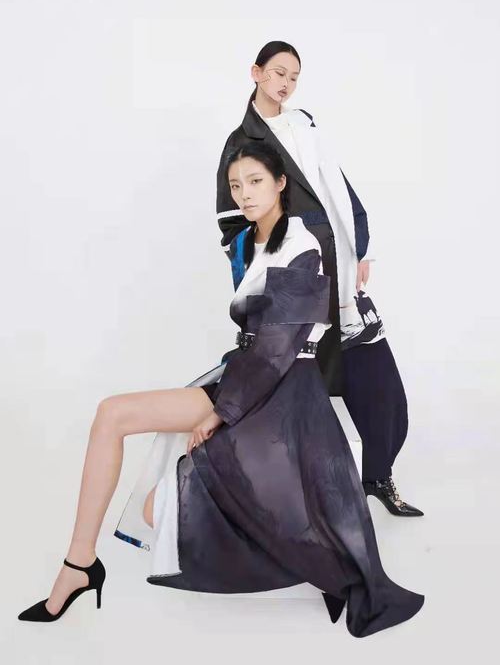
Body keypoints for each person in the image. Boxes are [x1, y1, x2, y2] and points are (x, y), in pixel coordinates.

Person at [18, 141, 424, 636]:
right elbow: (256, 345)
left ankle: (305, 556)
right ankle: (79, 564)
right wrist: (226, 394)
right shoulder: (250, 241)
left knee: (156, 509)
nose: (245, 194)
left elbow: (280, 346)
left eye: (255, 181)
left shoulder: (301, 243)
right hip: (246, 377)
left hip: (281, 392)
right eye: (236, 185)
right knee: (112, 413)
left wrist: (220, 412)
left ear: (280, 184)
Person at [216, 41, 423, 517]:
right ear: (256, 73)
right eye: (278, 73)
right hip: (297, 280)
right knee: (304, 390)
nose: (286, 84)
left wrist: (359, 246)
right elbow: (232, 223)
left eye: (294, 76)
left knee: (378, 380)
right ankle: (309, 503)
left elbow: (338, 186)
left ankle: (377, 477)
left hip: (342, 269)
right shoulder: (242, 140)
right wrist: (272, 271)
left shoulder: (304, 124)